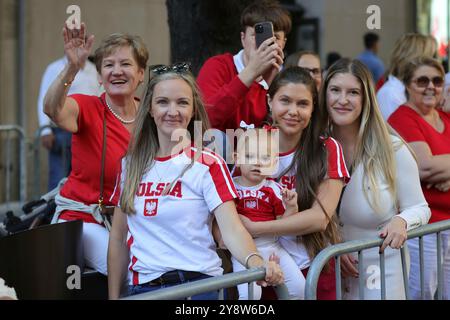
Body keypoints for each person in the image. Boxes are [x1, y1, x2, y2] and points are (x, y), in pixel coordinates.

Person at [107, 65, 284, 300]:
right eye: (163, 102)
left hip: (199, 286)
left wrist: (255, 261)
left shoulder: (208, 164)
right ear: (149, 108)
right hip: (146, 289)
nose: (173, 111)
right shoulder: (130, 166)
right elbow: (118, 239)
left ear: (192, 110)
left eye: (182, 102)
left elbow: (232, 230)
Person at [43, 21, 149, 275]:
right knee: (128, 267)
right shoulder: (88, 107)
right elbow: (52, 109)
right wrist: (72, 68)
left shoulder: (151, 116)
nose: (117, 71)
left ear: (141, 73)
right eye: (108, 65)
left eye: (125, 64)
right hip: (85, 219)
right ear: (100, 77)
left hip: (134, 221)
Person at [322, 58, 430, 299]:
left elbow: (420, 207)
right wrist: (329, 246)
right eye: (335, 90)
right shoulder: (315, 148)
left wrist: (402, 221)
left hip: (381, 272)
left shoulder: (391, 149)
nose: (342, 100)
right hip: (328, 273)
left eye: (353, 92)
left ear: (366, 99)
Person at [238, 66, 350, 300]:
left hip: (314, 265)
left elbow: (320, 218)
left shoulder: (326, 148)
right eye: (285, 101)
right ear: (270, 101)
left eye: (302, 104)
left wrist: (258, 227)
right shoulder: (251, 143)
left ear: (312, 109)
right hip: (263, 266)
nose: (292, 111)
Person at [388, 56, 450, 299]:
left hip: (448, 225)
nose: (430, 86)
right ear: (407, 85)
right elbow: (425, 166)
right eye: (422, 80)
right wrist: (437, 167)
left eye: (436, 80)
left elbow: (434, 165)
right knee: (421, 293)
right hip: (423, 228)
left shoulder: (445, 117)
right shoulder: (402, 117)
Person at [229, 128, 305, 300]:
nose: (257, 163)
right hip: (243, 252)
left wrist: (292, 207)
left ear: (274, 162)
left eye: (265, 158)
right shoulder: (230, 188)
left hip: (272, 247)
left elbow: (283, 224)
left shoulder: (273, 188)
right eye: (249, 156)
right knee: (250, 296)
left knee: (300, 289)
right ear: (237, 159)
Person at [197, 0, 291, 132]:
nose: (265, 43)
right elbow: (204, 119)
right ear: (243, 38)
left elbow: (285, 132)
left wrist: (271, 87)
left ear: (284, 43)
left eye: (275, 37)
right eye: (256, 36)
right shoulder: (219, 66)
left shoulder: (286, 78)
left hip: (263, 150)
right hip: (219, 148)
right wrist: (251, 72)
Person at [37, 55, 101, 190]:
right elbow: (45, 97)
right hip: (62, 132)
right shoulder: (55, 68)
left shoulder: (95, 70)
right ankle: (55, 210)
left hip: (90, 133)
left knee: (88, 179)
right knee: (58, 180)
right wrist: (45, 129)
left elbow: (100, 96)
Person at [377, 33, 437, 120]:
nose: (436, 63)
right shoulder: (391, 93)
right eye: (431, 57)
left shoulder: (405, 89)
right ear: (413, 60)